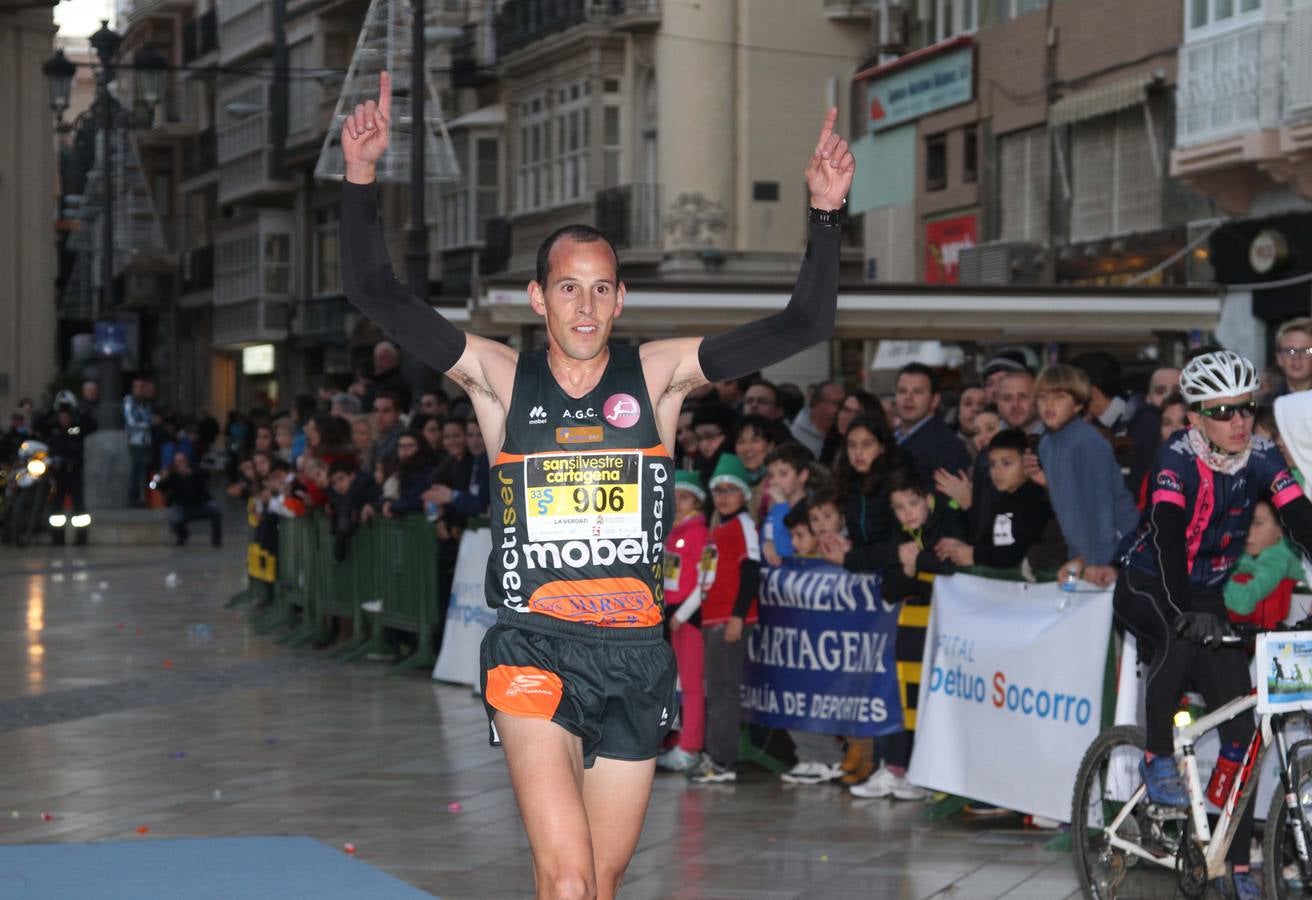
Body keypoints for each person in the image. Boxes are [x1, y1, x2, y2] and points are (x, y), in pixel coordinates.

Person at [338, 71, 851, 900]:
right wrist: (360, 181)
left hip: (636, 657)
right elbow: (376, 294)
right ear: (539, 297)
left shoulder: (660, 377)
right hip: (535, 650)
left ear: (620, 299)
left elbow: (803, 326)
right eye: (568, 287)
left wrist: (825, 215)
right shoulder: (498, 377)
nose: (584, 306)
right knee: (572, 879)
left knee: (594, 884)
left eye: (601, 288)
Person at [1115, 350, 1312, 900]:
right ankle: (1156, 757)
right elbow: (1169, 538)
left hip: (1210, 593)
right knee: (1175, 643)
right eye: (1223, 412)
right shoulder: (1176, 460)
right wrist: (1181, 611)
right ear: (1197, 416)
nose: (1239, 422)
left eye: (1246, 408)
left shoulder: (1262, 454)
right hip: (1149, 583)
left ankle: (1229, 859)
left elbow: (1299, 517)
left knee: (1244, 737)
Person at [849, 468, 960, 801]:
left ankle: (925, 772)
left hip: (942, 631)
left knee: (931, 699)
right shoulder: (901, 540)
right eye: (899, 507)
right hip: (909, 628)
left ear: (928, 500)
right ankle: (901, 767)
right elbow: (890, 589)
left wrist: (919, 564)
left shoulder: (944, 529)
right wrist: (910, 570)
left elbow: (950, 568)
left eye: (913, 503)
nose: (908, 512)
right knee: (906, 700)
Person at [687, 455, 762, 785]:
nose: (724, 496)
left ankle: (722, 761)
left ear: (744, 494)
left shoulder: (743, 525)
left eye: (731, 489)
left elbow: (751, 572)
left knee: (725, 692)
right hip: (713, 620)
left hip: (729, 621)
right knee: (715, 690)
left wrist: (737, 616)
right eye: (718, 490)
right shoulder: (723, 528)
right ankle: (715, 756)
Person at [1028, 364, 1137, 588]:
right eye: (1042, 397)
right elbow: (1070, 511)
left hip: (1117, 550)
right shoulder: (1047, 444)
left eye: (1059, 396)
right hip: (1088, 553)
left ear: (1077, 403)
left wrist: (1099, 561)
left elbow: (1101, 507)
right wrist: (1079, 557)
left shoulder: (1087, 442)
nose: (1049, 404)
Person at [656, 471, 711, 773]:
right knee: (677, 684)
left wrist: (682, 614)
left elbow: (705, 580)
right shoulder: (671, 531)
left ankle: (690, 748)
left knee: (691, 685)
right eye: (674, 496)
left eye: (685, 497)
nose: (678, 502)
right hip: (670, 614)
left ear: (698, 502)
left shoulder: (699, 534)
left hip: (687, 618)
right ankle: (677, 741)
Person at [935, 429, 1051, 570]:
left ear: (1027, 463)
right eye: (992, 464)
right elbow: (988, 542)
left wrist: (974, 555)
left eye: (1007, 463)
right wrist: (963, 548)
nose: (997, 471)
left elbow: (1021, 552)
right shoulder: (1001, 501)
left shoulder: (1035, 499)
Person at [1225, 499, 1304, 629]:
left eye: (1257, 523)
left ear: (1280, 529)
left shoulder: (1280, 556)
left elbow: (1244, 602)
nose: (1248, 531)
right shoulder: (1242, 557)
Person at [893, 362, 971, 482]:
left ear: (935, 400)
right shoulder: (887, 438)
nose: (908, 397)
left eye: (917, 392)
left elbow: (951, 499)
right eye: (902, 391)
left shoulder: (948, 446)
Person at [42, 391, 90, 546]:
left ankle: (81, 539)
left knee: (79, 508)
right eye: (61, 416)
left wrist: (76, 409)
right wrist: (52, 408)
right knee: (56, 508)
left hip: (74, 472)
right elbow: (38, 424)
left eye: (66, 416)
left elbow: (92, 424)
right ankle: (57, 539)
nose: (63, 419)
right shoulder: (53, 429)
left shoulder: (77, 428)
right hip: (58, 474)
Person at [159, 451, 222, 547]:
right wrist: (161, 478)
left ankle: (216, 541)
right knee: (174, 519)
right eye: (177, 462)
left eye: (181, 461)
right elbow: (160, 487)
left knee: (216, 511)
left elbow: (207, 474)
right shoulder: (173, 476)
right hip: (184, 508)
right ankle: (182, 536)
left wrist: (192, 473)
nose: (180, 464)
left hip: (202, 504)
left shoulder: (195, 469)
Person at [790, 381, 844, 458]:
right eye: (837, 403)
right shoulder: (795, 435)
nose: (842, 409)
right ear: (817, 403)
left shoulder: (842, 432)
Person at [124, 377, 154, 506]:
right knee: (137, 470)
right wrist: (148, 422)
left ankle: (144, 497)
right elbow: (132, 421)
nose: (141, 390)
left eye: (142, 387)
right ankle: (134, 498)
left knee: (144, 470)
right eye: (138, 387)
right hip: (136, 441)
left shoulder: (145, 403)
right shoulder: (130, 401)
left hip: (146, 441)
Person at [1274, 317, 1312, 397]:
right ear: (1279, 358)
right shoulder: (1264, 405)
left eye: (1305, 351)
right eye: (1289, 351)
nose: (1296, 357)